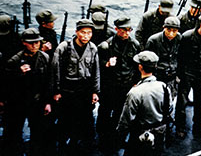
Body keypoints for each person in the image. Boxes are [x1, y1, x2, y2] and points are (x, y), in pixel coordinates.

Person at [51, 19, 100, 155]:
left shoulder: (93, 48)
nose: (86, 36)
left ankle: (79, 145)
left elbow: (96, 71)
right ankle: (62, 146)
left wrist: (95, 91)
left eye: (89, 33)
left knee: (85, 121)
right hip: (67, 91)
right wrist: (56, 91)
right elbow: (55, 71)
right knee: (65, 120)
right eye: (83, 32)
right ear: (77, 32)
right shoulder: (63, 48)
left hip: (84, 90)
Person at [2, 28, 51, 156]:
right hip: (18, 102)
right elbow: (6, 85)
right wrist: (18, 74)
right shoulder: (14, 61)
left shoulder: (44, 57)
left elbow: (47, 82)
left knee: (38, 133)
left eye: (37, 42)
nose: (35, 45)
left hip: (37, 101)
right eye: (31, 42)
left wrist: (47, 102)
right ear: (24, 43)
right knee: (14, 134)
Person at [96, 17, 140, 153]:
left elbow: (138, 66)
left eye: (129, 30)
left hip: (126, 85)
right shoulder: (106, 46)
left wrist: (135, 83)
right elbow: (97, 66)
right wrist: (107, 64)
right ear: (116, 29)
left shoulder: (135, 45)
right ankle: (101, 136)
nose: (127, 33)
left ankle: (114, 138)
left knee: (120, 113)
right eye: (124, 30)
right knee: (104, 111)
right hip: (109, 85)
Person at [116, 51, 172, 156]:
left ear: (140, 67)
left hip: (139, 138)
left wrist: (120, 139)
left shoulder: (135, 92)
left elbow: (125, 120)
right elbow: (169, 109)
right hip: (159, 135)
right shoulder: (164, 87)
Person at [145, 16, 182, 98]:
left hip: (172, 76)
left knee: (169, 100)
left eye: (174, 31)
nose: (171, 34)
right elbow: (147, 62)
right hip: (158, 77)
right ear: (164, 28)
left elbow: (181, 58)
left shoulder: (179, 38)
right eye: (168, 30)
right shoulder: (153, 40)